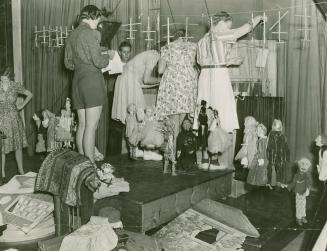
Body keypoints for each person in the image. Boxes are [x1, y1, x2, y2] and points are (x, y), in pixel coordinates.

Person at [195, 12, 265, 133]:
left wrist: (229, 62)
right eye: (227, 26)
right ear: (221, 22)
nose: (228, 29)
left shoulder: (201, 41)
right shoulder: (218, 35)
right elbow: (244, 29)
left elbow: (209, 62)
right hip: (218, 76)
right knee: (223, 111)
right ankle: (222, 137)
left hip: (205, 76)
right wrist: (259, 18)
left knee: (205, 110)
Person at [64, 5, 114, 163]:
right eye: (98, 21)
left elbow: (68, 64)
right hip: (92, 81)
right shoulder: (92, 33)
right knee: (91, 127)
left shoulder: (72, 35)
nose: (98, 25)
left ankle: (82, 166)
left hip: (77, 82)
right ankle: (91, 167)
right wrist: (108, 57)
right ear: (93, 16)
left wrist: (83, 64)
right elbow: (99, 62)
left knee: (82, 125)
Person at [156, 29, 198, 155]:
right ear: (186, 37)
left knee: (174, 122)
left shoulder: (167, 48)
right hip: (187, 85)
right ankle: (179, 153)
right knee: (182, 120)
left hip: (173, 85)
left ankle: (172, 153)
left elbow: (160, 70)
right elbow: (196, 65)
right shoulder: (193, 47)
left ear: (173, 37)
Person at [111, 49, 161, 124]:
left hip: (123, 79)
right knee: (138, 115)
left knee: (132, 116)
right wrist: (162, 80)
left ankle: (130, 133)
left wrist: (158, 83)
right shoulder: (155, 55)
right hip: (128, 80)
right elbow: (146, 80)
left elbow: (142, 82)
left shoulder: (149, 53)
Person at [0, 67, 33, 182]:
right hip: (1, 122)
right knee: (2, 146)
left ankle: (21, 171)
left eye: (5, 79)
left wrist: (21, 106)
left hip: (15, 121)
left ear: (9, 77)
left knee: (17, 145)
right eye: (1, 79)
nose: (3, 82)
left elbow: (29, 94)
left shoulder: (15, 85)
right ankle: (2, 174)